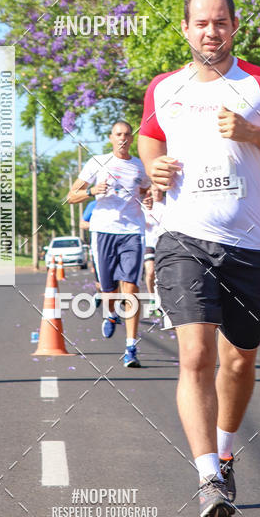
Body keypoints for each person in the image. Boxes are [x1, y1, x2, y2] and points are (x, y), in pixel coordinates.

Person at [138, 0, 260, 517]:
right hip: (183, 237)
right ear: (186, 29)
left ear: (234, 27)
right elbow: (150, 135)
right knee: (196, 355)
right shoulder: (163, 88)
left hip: (250, 244)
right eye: (201, 22)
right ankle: (208, 474)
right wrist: (152, 165)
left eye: (220, 22)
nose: (211, 31)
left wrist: (252, 133)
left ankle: (226, 450)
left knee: (238, 361)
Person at [67, 121, 151, 367]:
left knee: (131, 287)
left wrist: (149, 199)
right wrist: (93, 191)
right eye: (118, 135)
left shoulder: (139, 166)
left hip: (132, 232)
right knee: (108, 289)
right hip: (103, 231)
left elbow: (146, 190)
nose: (123, 138)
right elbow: (72, 196)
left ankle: (131, 347)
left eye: (127, 135)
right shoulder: (97, 163)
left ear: (131, 138)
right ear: (111, 138)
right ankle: (112, 314)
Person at [142, 186, 165, 311]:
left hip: (163, 242)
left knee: (161, 274)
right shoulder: (145, 204)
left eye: (159, 191)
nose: (157, 193)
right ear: (150, 191)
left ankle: (160, 299)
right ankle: (152, 298)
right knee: (150, 271)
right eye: (155, 190)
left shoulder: (167, 203)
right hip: (149, 243)